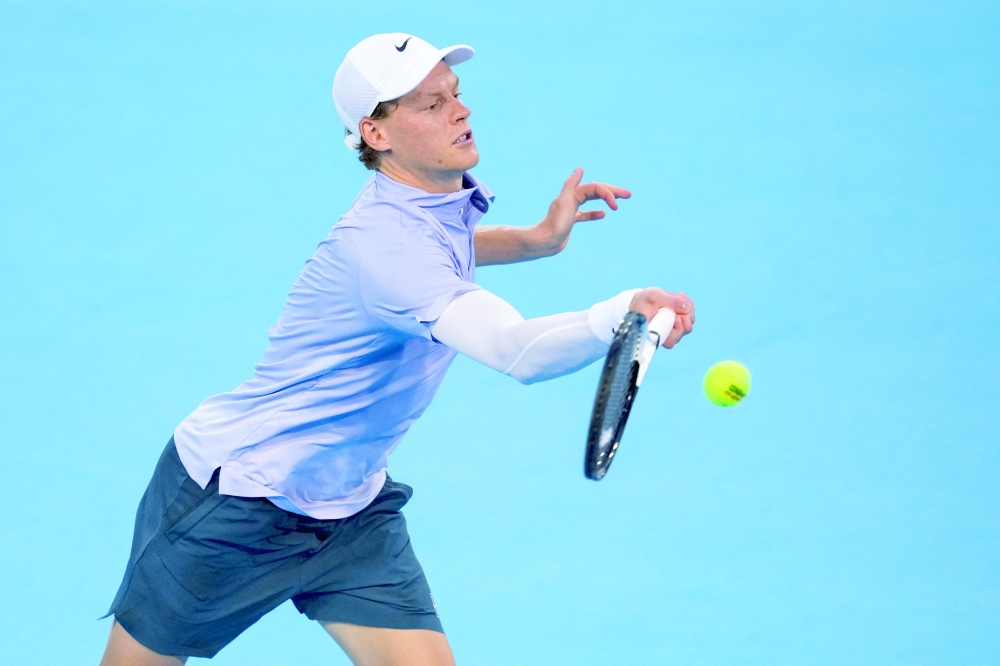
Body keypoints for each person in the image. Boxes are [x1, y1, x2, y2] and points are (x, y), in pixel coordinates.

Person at [98, 33, 695, 666]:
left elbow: (445, 249)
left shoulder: (425, 203)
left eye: (456, 95)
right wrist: (616, 316)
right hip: (237, 505)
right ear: (376, 135)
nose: (460, 112)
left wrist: (537, 240)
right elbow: (515, 351)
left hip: (350, 510)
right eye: (430, 105)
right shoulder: (388, 250)